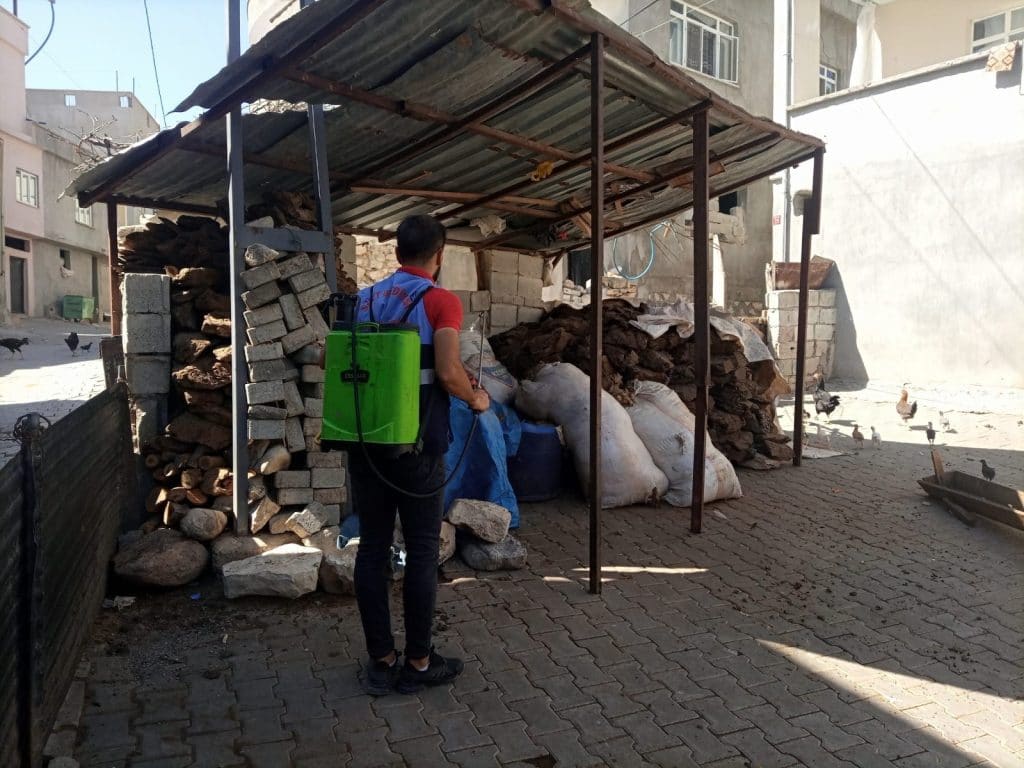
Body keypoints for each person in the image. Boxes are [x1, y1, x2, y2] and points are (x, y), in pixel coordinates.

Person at [349, 214, 490, 695]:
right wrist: (476, 398)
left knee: (371, 549)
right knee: (422, 550)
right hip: (419, 447)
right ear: (440, 255)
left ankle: (380, 659)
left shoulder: (365, 299)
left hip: (367, 443)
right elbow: (450, 372)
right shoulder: (440, 300)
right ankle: (419, 663)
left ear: (394, 252)